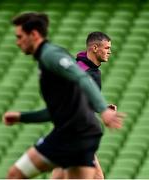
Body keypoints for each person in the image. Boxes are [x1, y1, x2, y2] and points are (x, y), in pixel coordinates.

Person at [2, 12, 124, 179]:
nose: (17, 42)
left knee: (14, 175)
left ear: (34, 34)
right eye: (107, 48)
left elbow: (81, 79)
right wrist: (22, 117)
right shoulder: (52, 59)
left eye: (19, 36)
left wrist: (102, 108)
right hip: (79, 132)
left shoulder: (50, 55)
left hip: (74, 134)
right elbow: (61, 107)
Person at [51, 32, 117, 179]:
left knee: (60, 174)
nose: (109, 51)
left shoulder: (83, 68)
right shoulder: (86, 72)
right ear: (94, 48)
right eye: (107, 48)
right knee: (97, 177)